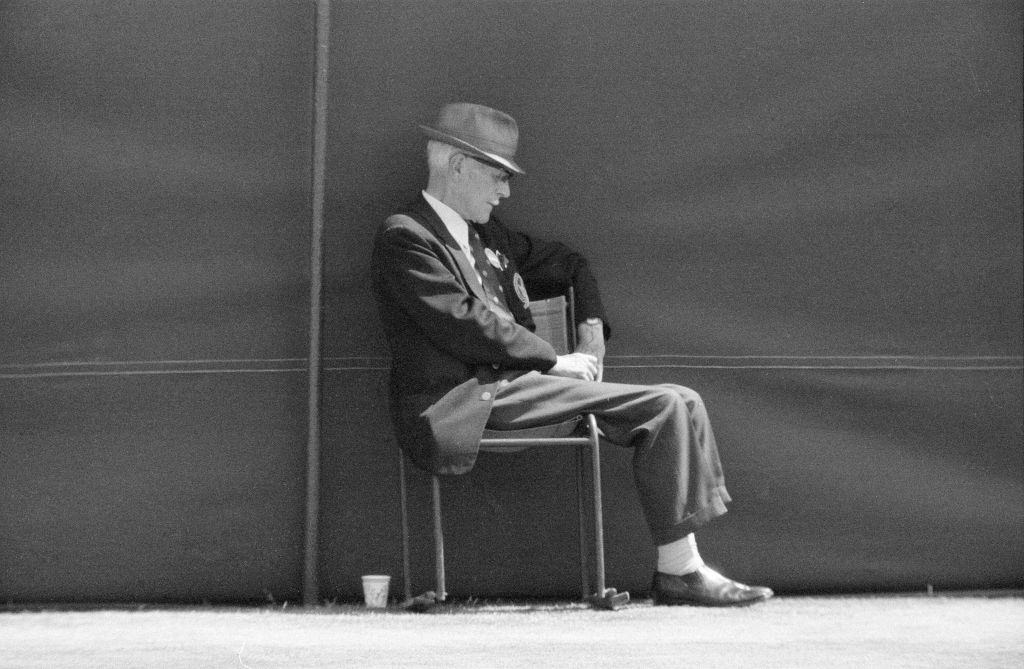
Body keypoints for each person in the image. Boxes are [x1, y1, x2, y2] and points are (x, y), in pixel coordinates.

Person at [371, 102, 773, 607]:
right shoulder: (406, 237)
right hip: (466, 400)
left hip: (522, 391)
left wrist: (590, 335)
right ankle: (682, 573)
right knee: (668, 403)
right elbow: (461, 321)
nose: (506, 191)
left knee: (681, 401)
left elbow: (570, 264)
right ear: (457, 167)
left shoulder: (491, 235)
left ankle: (680, 569)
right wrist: (552, 359)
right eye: (498, 176)